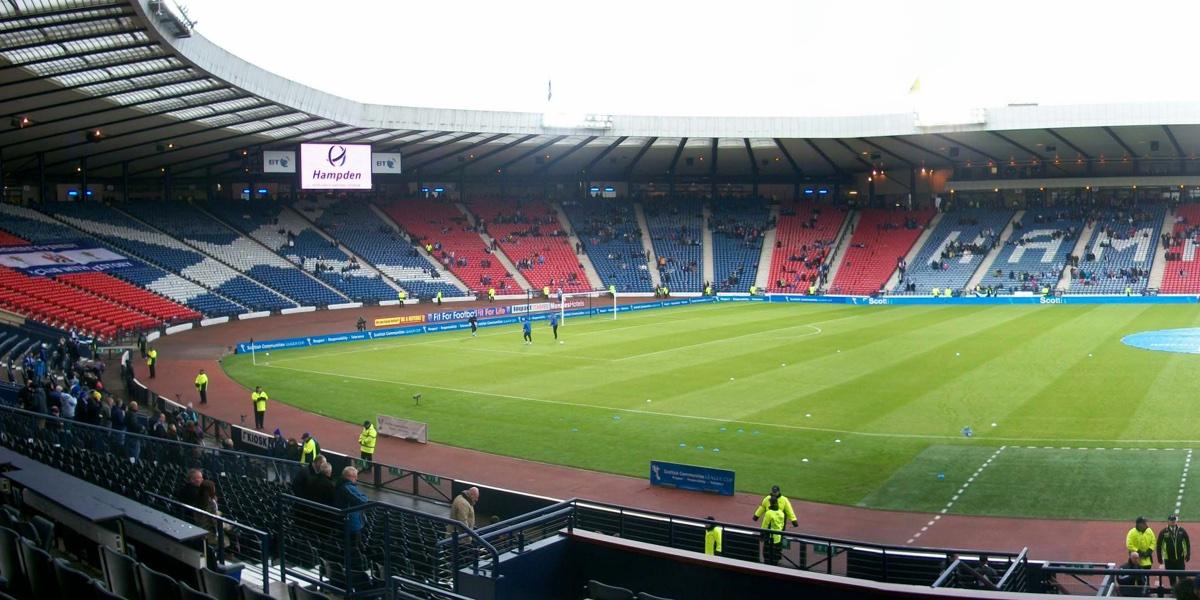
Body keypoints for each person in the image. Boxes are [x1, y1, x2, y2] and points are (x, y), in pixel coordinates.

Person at [335, 466, 370, 545]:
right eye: (355, 477)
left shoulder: (341, 484)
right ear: (350, 477)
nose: (356, 479)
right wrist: (364, 497)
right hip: (352, 523)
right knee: (354, 546)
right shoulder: (347, 487)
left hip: (348, 521)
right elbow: (363, 501)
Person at [1159, 514, 1191, 584]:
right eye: (1171, 520)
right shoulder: (1163, 532)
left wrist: (1188, 554)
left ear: (1176, 521)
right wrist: (1159, 558)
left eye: (1174, 520)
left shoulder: (1182, 531)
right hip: (1169, 560)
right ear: (1168, 521)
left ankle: (1182, 594)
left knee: (1182, 578)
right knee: (1172, 579)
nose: (1173, 521)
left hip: (1180, 559)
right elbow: (1159, 545)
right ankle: (1173, 593)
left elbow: (1187, 543)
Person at [760, 498, 785, 565]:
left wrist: (762, 534)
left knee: (767, 555)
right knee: (776, 554)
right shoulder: (781, 513)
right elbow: (782, 525)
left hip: (770, 538)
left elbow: (764, 525)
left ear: (770, 503)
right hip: (778, 537)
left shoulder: (769, 513)